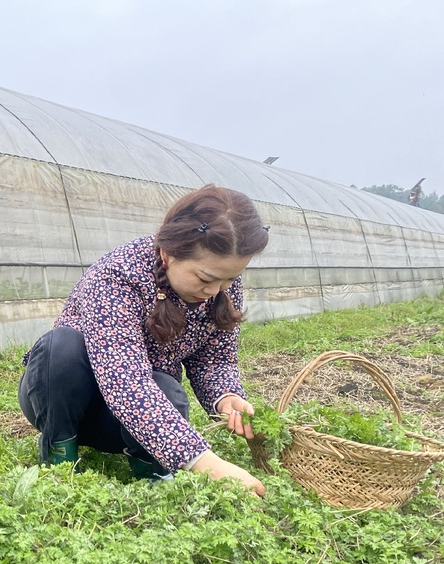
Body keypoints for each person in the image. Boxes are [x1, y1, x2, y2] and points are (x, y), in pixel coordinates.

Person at [18, 184, 268, 497]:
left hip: (124, 424)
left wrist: (225, 396)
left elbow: (213, 359)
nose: (216, 290)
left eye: (229, 279)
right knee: (63, 347)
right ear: (168, 253)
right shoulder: (117, 275)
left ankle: (150, 468)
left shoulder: (219, 283)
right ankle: (59, 449)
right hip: (63, 402)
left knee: (168, 390)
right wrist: (207, 463)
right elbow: (125, 382)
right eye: (205, 278)